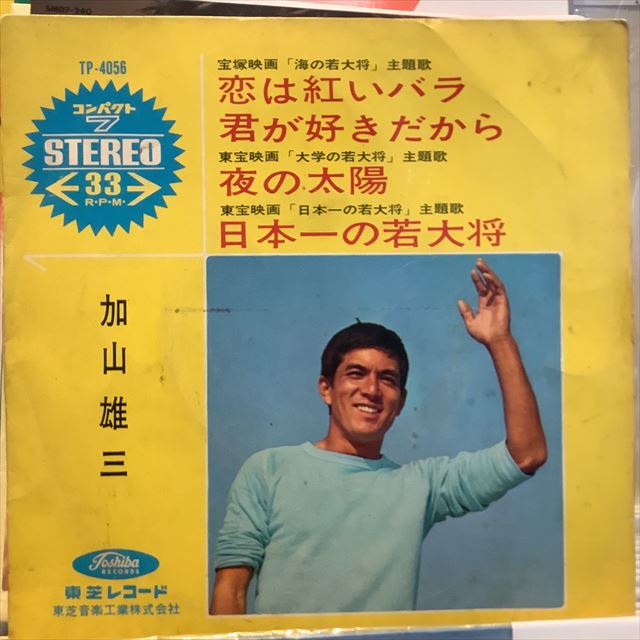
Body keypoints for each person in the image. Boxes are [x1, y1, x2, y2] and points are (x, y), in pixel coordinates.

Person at [210, 258, 547, 615]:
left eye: (387, 379)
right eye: (356, 373)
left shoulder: (422, 486)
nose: (372, 390)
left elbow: (527, 454)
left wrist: (500, 340)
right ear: (326, 388)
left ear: (400, 401)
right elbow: (231, 589)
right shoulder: (268, 469)